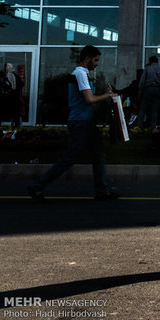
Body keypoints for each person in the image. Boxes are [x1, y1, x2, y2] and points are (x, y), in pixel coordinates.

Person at [27, 45, 121, 203]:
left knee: (99, 154)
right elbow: (89, 99)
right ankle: (38, 186)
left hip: (86, 121)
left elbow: (89, 99)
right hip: (80, 122)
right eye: (96, 60)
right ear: (87, 59)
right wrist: (107, 95)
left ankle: (102, 190)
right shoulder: (80, 73)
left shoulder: (82, 73)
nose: (97, 63)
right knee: (70, 158)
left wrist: (106, 92)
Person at [138, 55, 160, 130]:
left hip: (148, 89)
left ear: (150, 61)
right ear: (157, 61)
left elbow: (142, 81)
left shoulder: (147, 68)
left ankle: (140, 126)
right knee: (154, 109)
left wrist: (140, 92)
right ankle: (153, 126)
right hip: (157, 89)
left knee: (143, 109)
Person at [4, 63, 24, 127]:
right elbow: (21, 85)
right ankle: (16, 128)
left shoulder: (10, 75)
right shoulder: (15, 75)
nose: (6, 68)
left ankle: (14, 130)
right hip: (16, 98)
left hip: (12, 98)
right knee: (16, 115)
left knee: (14, 114)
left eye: (7, 67)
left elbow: (12, 87)